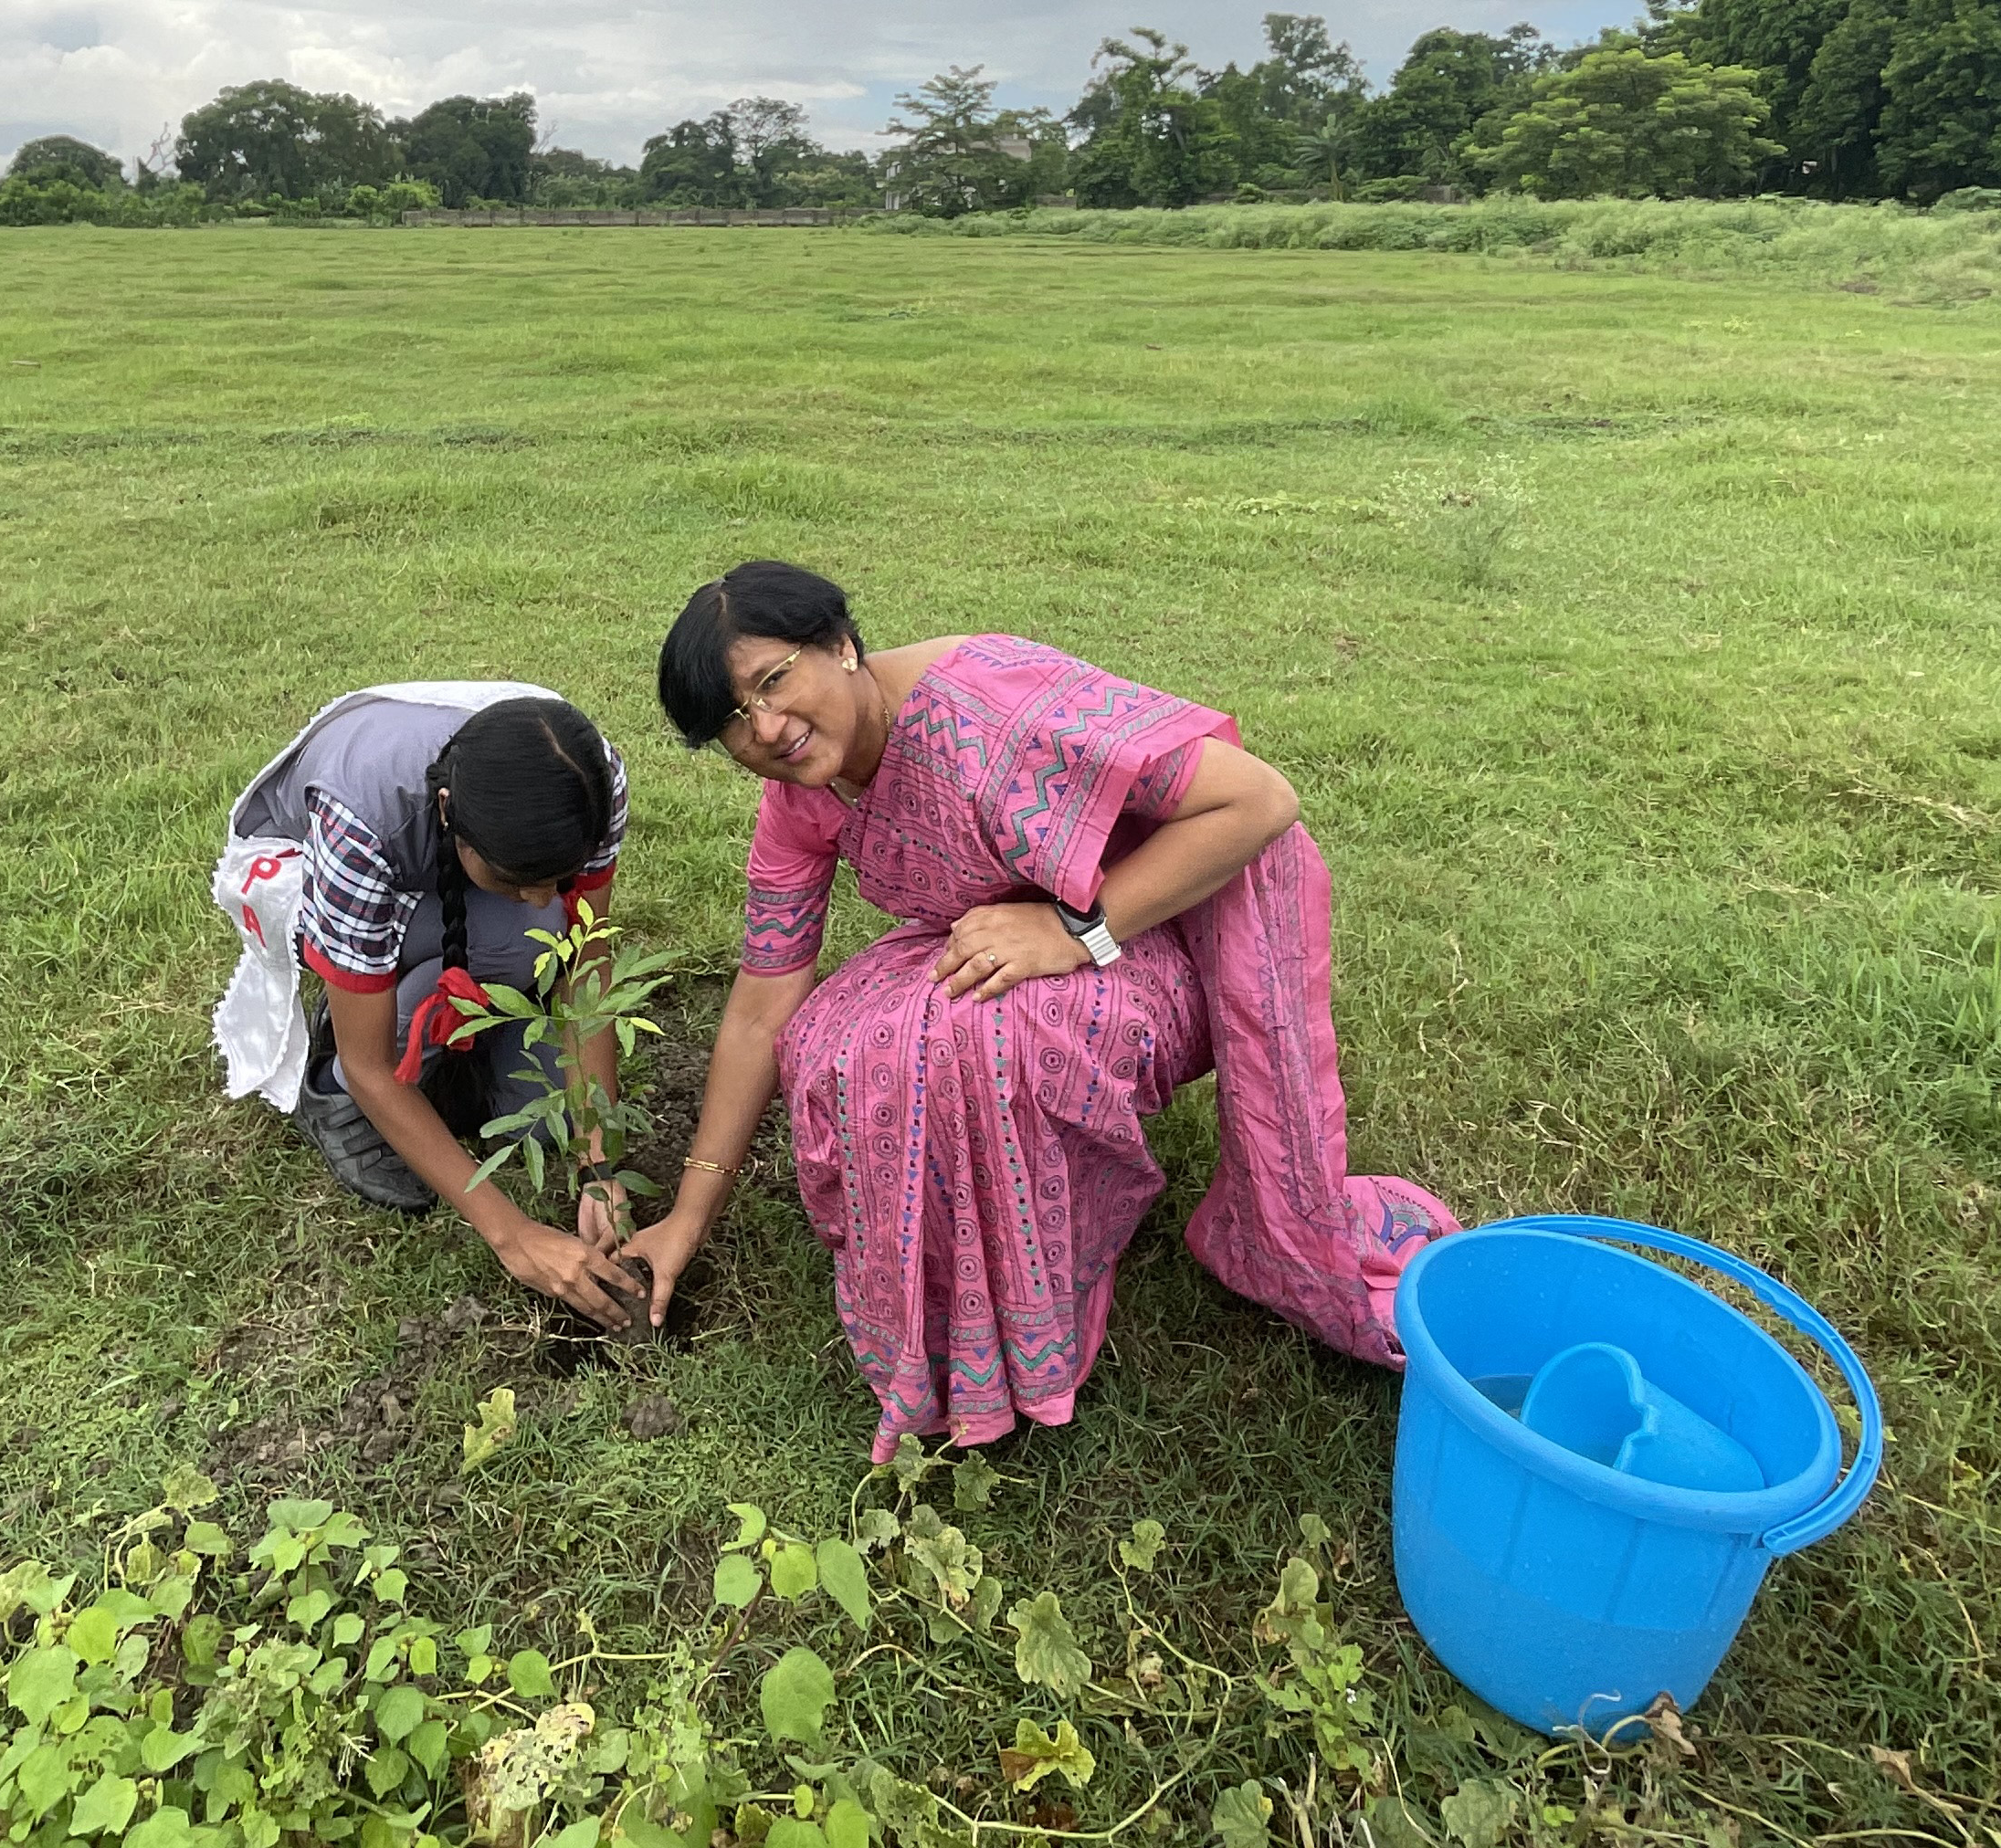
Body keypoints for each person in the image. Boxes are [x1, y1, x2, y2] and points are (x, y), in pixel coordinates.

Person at [624, 563, 1459, 1459]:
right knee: (850, 1041)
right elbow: (763, 1006)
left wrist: (1074, 930)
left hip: (1165, 939)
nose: (768, 730)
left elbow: (1257, 800)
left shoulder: (989, 709)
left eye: (774, 682)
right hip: (1017, 934)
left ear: (839, 643)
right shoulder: (802, 798)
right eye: (732, 723)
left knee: (990, 1035)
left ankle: (1034, 1315)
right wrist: (688, 1214)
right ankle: (949, 1333)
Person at [211, 684, 641, 1330]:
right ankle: (329, 1094)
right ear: (448, 812)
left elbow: (585, 964)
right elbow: (374, 1067)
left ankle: (474, 1017)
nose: (540, 896)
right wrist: (512, 1234)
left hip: (444, 859)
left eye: (556, 874)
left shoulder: (591, 780)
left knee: (535, 1103)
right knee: (496, 948)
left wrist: (600, 1161)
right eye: (515, 878)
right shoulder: (361, 822)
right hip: (306, 867)